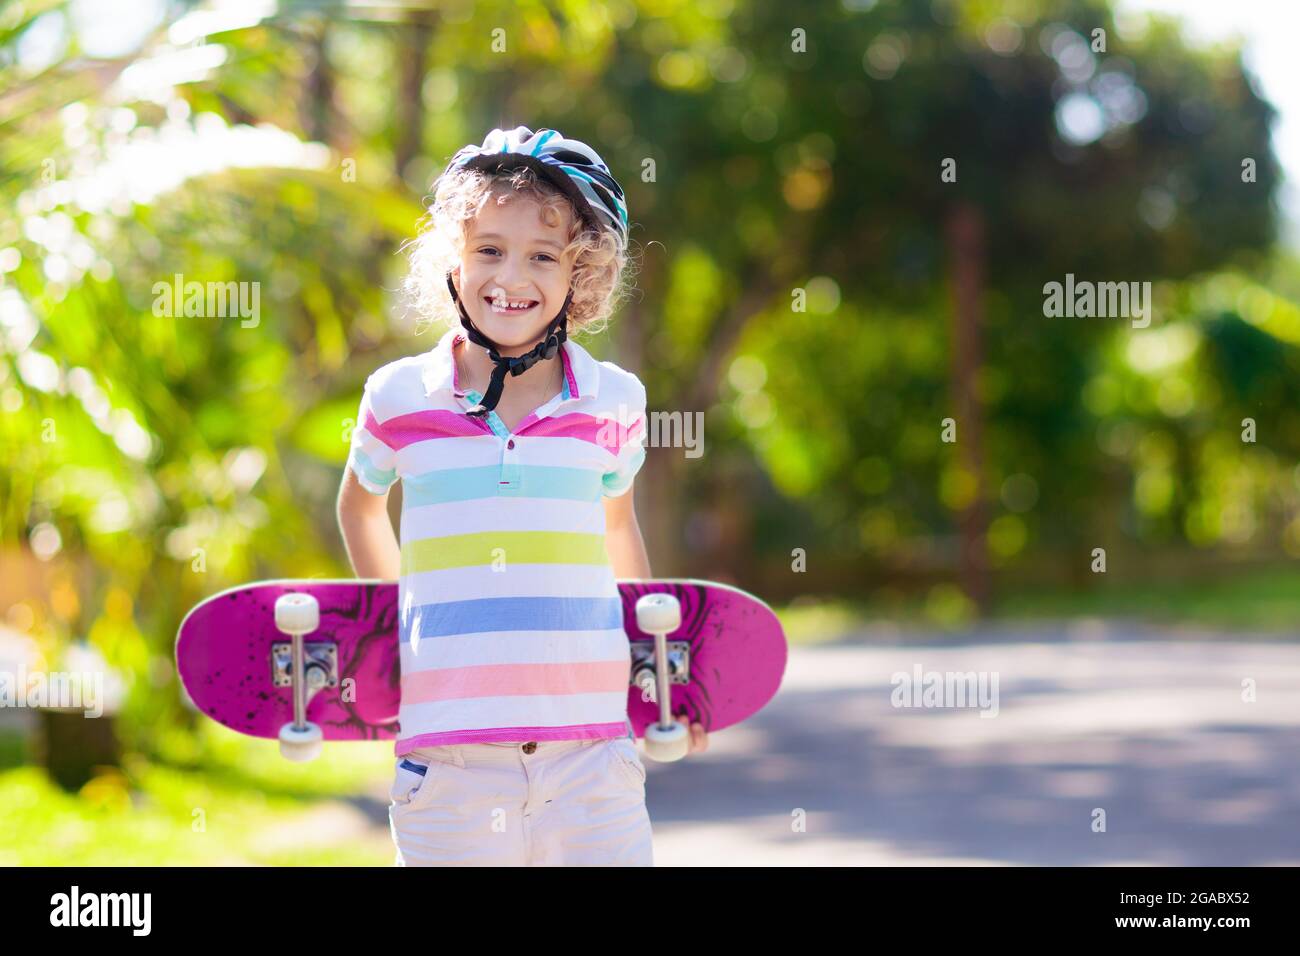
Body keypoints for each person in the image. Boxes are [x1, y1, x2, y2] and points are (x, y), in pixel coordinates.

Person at [337, 126, 706, 866]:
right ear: (453, 258)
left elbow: (617, 530)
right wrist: (392, 624)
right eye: (489, 250)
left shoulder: (614, 401)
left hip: (590, 753)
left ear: (584, 277)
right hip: (450, 761)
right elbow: (358, 503)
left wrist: (661, 668)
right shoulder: (399, 395)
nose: (513, 275)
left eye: (543, 256)